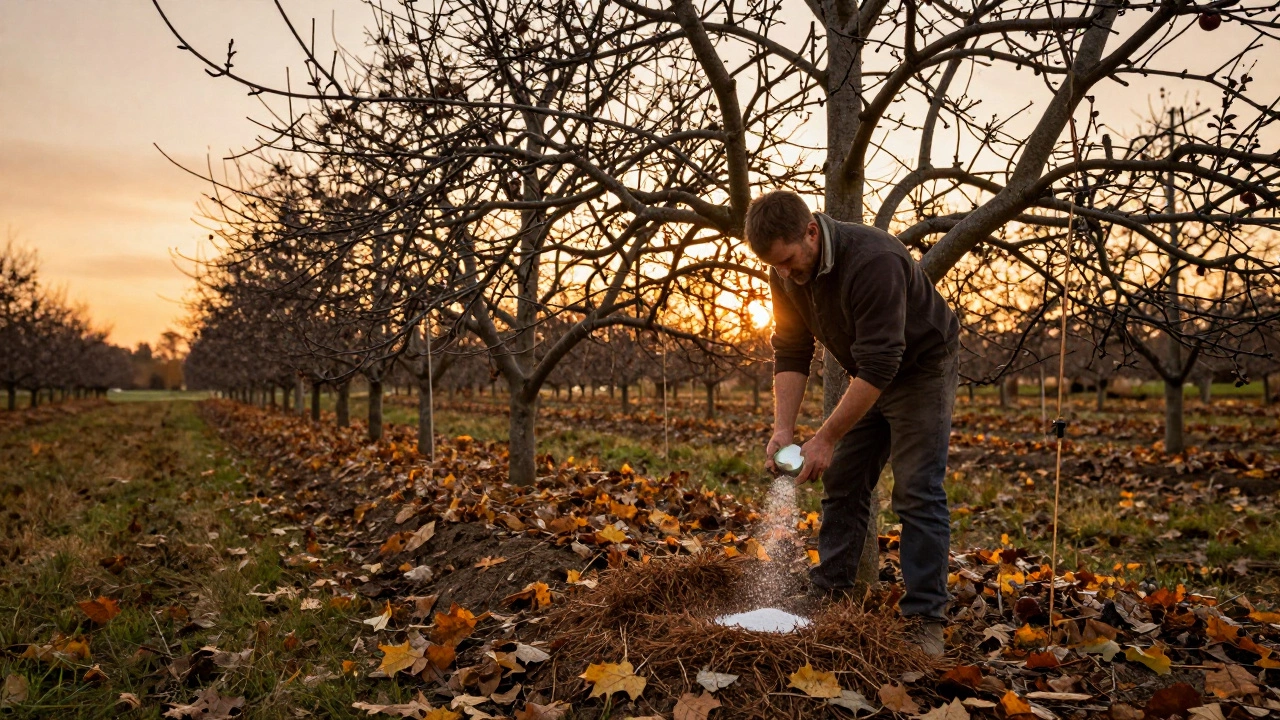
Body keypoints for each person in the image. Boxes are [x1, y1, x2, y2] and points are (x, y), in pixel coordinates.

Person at [745, 190, 960, 657]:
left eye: (789, 261)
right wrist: (783, 428)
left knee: (917, 491)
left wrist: (825, 437)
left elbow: (883, 364)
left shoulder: (875, 259)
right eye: (776, 267)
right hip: (867, 371)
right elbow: (791, 349)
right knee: (842, 479)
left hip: (920, 368)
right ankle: (831, 594)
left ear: (810, 231)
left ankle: (925, 621)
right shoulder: (784, 271)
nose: (785, 274)